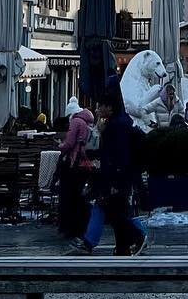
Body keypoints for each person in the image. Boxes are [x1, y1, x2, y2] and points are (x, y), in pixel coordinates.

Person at [77, 87, 148, 255]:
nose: (98, 109)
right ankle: (123, 247)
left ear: (110, 107)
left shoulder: (116, 127)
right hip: (120, 174)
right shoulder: (118, 123)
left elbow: (117, 154)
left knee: (114, 211)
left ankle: (138, 236)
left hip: (117, 175)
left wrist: (115, 178)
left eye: (101, 106)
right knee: (116, 210)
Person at [56, 96, 96, 240]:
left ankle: (71, 227)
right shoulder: (87, 121)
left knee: (70, 196)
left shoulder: (75, 122)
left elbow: (69, 144)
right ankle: (81, 226)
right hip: (86, 163)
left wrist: (59, 146)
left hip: (75, 163)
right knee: (80, 197)